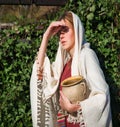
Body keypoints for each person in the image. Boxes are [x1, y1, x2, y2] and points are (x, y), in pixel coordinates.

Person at [30, 11, 112, 127]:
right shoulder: (63, 64)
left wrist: (75, 108)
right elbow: (40, 73)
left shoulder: (86, 55)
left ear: (77, 30)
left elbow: (102, 96)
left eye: (66, 30)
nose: (61, 35)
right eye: (59, 32)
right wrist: (46, 37)